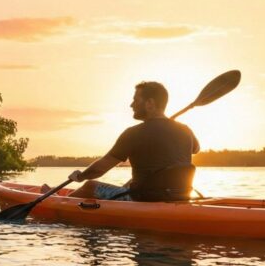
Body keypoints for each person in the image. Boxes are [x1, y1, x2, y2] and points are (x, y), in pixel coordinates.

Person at [63, 81, 199, 201]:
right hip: (181, 196)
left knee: (90, 186)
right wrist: (170, 126)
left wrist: (81, 176)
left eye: (136, 100)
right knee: (131, 182)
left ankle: (62, 202)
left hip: (144, 198)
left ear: (150, 103)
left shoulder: (133, 133)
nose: (131, 105)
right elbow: (196, 149)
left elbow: (100, 169)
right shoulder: (185, 129)